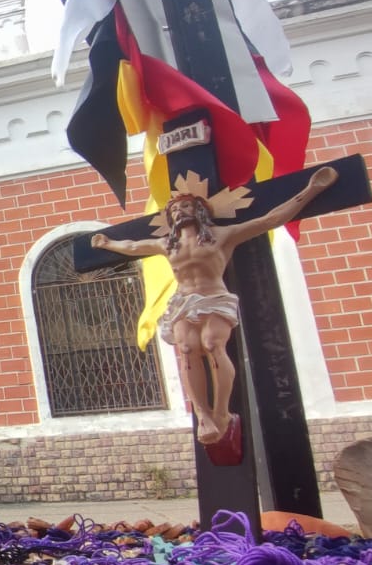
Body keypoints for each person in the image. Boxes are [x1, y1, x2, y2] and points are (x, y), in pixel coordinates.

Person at [92, 166, 337, 447]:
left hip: (214, 298)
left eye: (186, 206)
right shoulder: (166, 245)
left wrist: (311, 190)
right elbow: (134, 247)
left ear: (200, 211)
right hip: (183, 302)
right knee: (186, 350)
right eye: (174, 209)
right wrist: (108, 243)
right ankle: (202, 414)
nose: (180, 211)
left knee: (210, 344)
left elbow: (270, 219)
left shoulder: (222, 236)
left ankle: (221, 411)